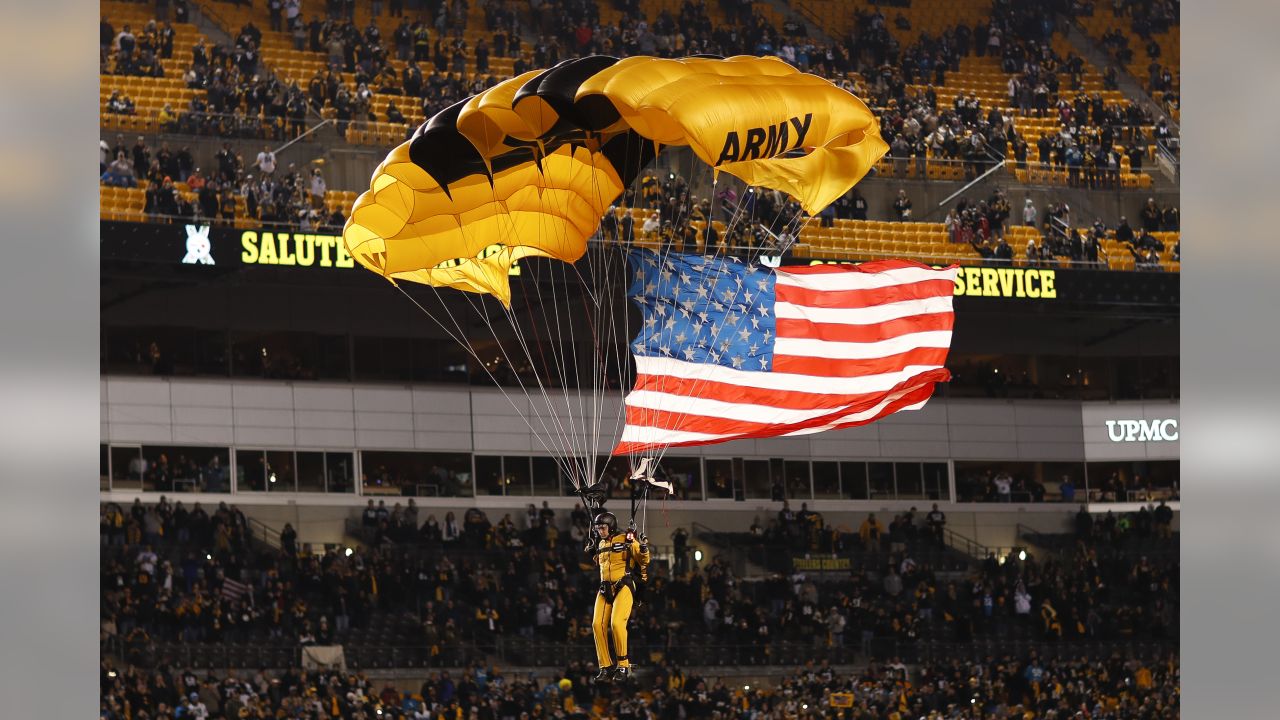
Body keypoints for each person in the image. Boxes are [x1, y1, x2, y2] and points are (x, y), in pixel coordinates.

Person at [587, 511, 649, 682]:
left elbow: (643, 560)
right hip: (605, 587)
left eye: (603, 528)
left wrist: (643, 548)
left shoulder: (626, 539)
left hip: (624, 585)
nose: (601, 531)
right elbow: (599, 562)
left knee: (616, 623)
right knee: (596, 624)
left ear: (611, 526)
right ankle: (605, 667)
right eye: (598, 528)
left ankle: (623, 665)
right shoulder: (600, 544)